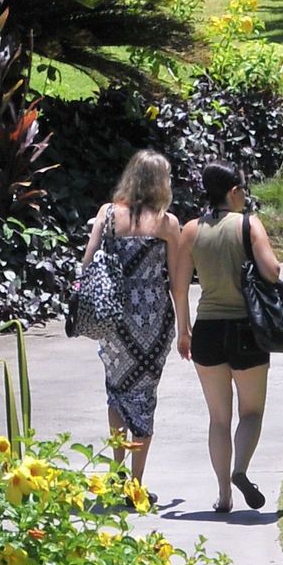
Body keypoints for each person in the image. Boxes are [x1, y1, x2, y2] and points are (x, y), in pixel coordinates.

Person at [76, 148, 187, 488]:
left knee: (117, 390)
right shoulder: (167, 224)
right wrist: (185, 329)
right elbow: (178, 284)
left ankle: (117, 472)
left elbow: (87, 264)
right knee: (144, 396)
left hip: (115, 319)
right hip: (154, 319)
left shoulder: (108, 214)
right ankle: (135, 483)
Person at [176, 161, 280, 512]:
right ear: (234, 191)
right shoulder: (249, 224)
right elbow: (272, 270)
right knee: (251, 412)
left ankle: (223, 494)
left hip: (206, 330)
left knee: (218, 418)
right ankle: (241, 470)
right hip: (246, 328)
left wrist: (183, 331)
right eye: (243, 190)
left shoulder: (191, 230)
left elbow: (179, 287)